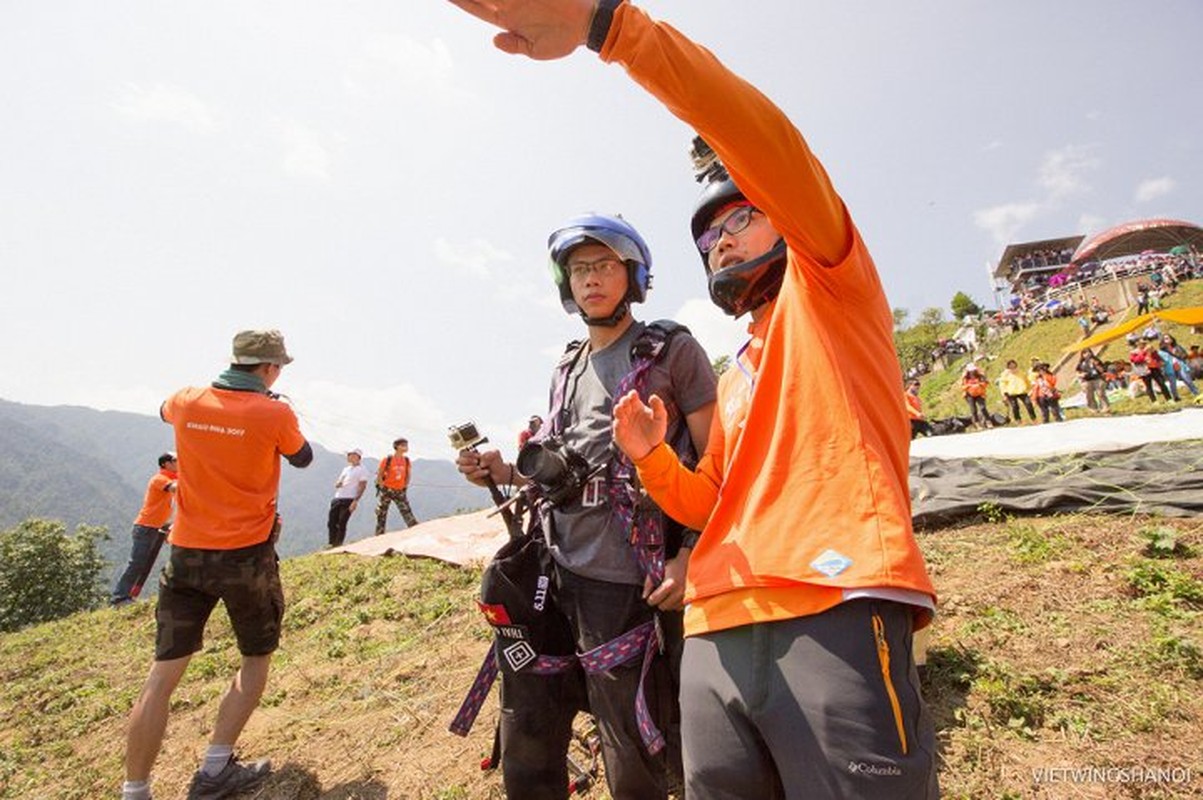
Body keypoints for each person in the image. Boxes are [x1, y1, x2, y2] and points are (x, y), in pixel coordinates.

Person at [446, 3, 938, 796]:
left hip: (830, 597)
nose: (722, 239)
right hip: (712, 624)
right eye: (707, 235)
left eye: (742, 217)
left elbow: (767, 143)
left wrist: (609, 28)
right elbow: (710, 497)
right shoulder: (734, 368)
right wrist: (647, 458)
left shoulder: (833, 298)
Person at [456, 212, 717, 799]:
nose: (591, 279)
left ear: (633, 275)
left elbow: (717, 460)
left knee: (626, 733)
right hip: (555, 564)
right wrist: (500, 472)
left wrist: (692, 552)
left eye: (603, 266)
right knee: (529, 718)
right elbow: (564, 460)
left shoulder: (672, 351)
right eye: (579, 269)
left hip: (628, 576)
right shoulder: (566, 367)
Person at [122, 329, 312, 800]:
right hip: (247, 557)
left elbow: (163, 410)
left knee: (161, 676)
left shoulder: (186, 400)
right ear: (271, 369)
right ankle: (214, 768)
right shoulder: (275, 411)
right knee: (254, 659)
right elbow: (303, 457)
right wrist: (269, 406)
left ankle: (135, 790)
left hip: (186, 553)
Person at [111, 452, 179, 606]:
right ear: (165, 464)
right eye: (176, 460)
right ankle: (119, 598)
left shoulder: (173, 478)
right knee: (137, 563)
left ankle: (130, 596)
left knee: (146, 563)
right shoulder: (159, 479)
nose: (179, 463)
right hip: (146, 527)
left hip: (158, 528)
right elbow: (175, 488)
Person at [375, 437, 419, 534]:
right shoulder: (387, 459)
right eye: (403, 445)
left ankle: (415, 529)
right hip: (387, 489)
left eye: (406, 445)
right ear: (396, 446)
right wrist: (382, 486)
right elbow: (380, 474)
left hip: (400, 489)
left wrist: (405, 485)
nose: (406, 447)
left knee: (406, 510)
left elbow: (408, 474)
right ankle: (379, 533)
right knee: (382, 512)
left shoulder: (406, 460)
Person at [327, 449, 370, 547]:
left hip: (349, 499)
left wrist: (355, 501)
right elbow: (337, 483)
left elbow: (362, 485)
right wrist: (338, 484)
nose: (348, 457)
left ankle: (337, 544)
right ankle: (331, 543)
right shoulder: (346, 469)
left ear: (356, 456)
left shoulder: (362, 470)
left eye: (350, 455)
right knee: (331, 522)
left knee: (342, 522)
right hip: (338, 497)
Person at [997, 358, 1037, 423]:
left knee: (1028, 404)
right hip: (1011, 393)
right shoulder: (1005, 374)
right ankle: (1018, 420)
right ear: (1008, 366)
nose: (1012, 367)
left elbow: (1026, 380)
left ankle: (1034, 419)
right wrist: (1004, 393)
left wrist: (1030, 388)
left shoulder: (1020, 372)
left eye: (1013, 365)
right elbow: (1002, 384)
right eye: (1010, 365)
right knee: (1015, 406)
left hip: (1022, 391)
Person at [1075, 348, 1111, 413]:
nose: (1087, 354)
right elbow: (1077, 372)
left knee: (1101, 393)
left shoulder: (1096, 360)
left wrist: (1096, 364)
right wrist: (1081, 375)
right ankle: (1093, 408)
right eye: (1085, 353)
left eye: (1089, 352)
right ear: (1082, 355)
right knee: (1089, 395)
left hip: (1097, 378)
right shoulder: (1081, 363)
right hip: (1087, 380)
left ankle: (1105, 407)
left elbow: (1102, 370)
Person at [961, 363, 992, 428]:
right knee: (973, 410)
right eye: (970, 370)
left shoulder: (980, 376)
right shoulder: (965, 378)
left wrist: (979, 384)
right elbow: (962, 387)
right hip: (969, 395)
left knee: (982, 407)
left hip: (980, 393)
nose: (972, 372)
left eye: (973, 370)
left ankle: (988, 421)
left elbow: (986, 383)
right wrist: (969, 386)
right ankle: (977, 424)